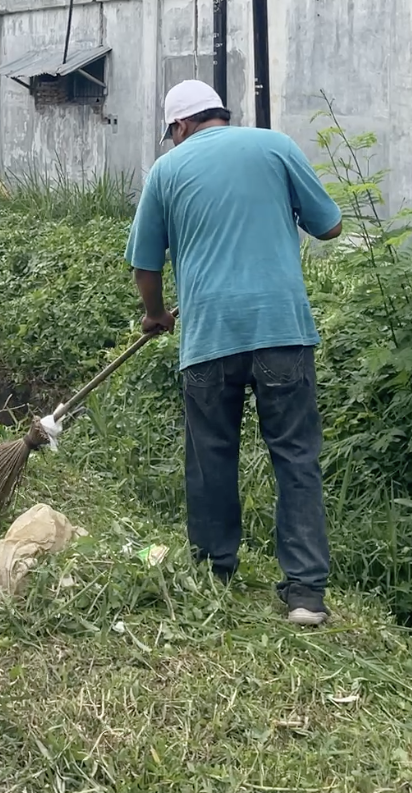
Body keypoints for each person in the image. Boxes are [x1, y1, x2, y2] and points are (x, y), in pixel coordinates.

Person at [124, 80, 343, 627]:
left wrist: (154, 315)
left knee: (210, 456)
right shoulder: (276, 146)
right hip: (282, 332)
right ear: (220, 115)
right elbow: (331, 224)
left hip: (209, 338)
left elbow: (145, 268)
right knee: (295, 456)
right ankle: (306, 596)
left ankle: (215, 571)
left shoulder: (166, 172)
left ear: (179, 126)